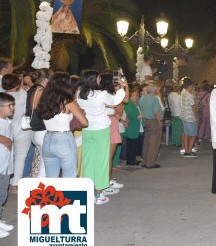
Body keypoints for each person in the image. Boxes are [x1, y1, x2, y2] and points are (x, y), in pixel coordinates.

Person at [77, 70, 128, 205]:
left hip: (87, 129)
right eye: (98, 78)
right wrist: (122, 87)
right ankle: (99, 194)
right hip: (101, 129)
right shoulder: (101, 94)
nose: (100, 79)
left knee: (88, 160)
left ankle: (87, 193)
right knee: (102, 161)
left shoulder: (80, 94)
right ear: (94, 79)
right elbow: (115, 101)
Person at [37, 72, 88, 178]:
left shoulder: (44, 100)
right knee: (69, 178)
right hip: (64, 139)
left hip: (47, 139)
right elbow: (84, 123)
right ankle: (68, 195)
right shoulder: (68, 103)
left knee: (51, 178)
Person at [2, 74, 30, 192]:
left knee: (6, 156)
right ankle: (15, 183)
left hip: (5, 131)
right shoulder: (22, 95)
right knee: (20, 156)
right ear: (17, 84)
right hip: (22, 130)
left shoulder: (3, 97)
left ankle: (5, 180)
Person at [28, 68, 52, 178]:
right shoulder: (42, 91)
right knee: (44, 165)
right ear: (46, 80)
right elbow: (45, 111)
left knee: (41, 163)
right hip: (41, 131)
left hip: (35, 131)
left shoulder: (33, 89)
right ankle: (40, 192)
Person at [0, 92, 15, 238]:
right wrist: (4, 139)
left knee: (2, 194)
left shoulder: (6, 121)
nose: (13, 108)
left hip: (4, 164)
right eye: (10, 105)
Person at [139, 83, 163, 168]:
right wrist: (159, 123)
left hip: (146, 121)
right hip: (154, 122)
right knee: (154, 143)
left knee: (147, 142)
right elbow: (156, 112)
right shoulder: (154, 99)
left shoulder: (144, 98)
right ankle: (150, 163)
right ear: (155, 91)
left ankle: (144, 161)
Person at [180, 78, 198, 158]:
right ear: (190, 86)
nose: (193, 88)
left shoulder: (183, 93)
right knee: (193, 135)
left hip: (184, 116)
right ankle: (189, 151)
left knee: (186, 134)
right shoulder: (189, 95)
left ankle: (186, 150)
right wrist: (196, 117)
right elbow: (193, 107)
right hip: (190, 117)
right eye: (193, 86)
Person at [167, 84, 182, 148]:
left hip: (172, 113)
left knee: (174, 129)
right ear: (179, 90)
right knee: (179, 129)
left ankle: (173, 142)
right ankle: (178, 142)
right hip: (179, 114)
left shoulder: (170, 95)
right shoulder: (179, 97)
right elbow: (181, 106)